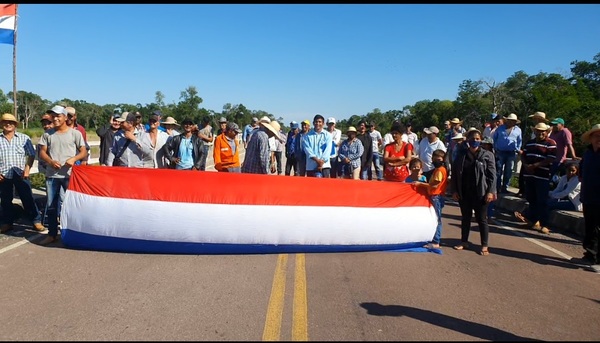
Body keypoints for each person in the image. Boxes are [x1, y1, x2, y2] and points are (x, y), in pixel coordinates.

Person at [38, 105, 88, 245]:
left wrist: (74, 159)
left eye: (58, 115)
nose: (55, 118)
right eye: (53, 116)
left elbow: (83, 152)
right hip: (52, 175)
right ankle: (52, 234)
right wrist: (50, 161)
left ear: (66, 117)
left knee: (73, 205)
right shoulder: (47, 134)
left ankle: (75, 232)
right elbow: (42, 152)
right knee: (52, 205)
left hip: (70, 175)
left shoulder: (75, 134)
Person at [451, 129, 496, 256]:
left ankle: (484, 245)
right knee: (465, 218)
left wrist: (490, 192)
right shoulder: (461, 156)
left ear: (481, 139)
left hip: (481, 192)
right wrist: (454, 190)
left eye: (477, 138)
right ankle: (464, 241)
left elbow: (492, 176)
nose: (474, 141)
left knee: (481, 219)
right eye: (472, 139)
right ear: (467, 140)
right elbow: (454, 174)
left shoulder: (487, 155)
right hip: (464, 192)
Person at [0, 113, 45, 234]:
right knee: (5, 200)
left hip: (20, 173)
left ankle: (36, 221)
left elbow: (31, 154)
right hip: (3, 174)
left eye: (11, 122)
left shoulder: (24, 138)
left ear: (15, 125)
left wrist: (27, 168)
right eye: (5, 122)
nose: (8, 124)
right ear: (1, 124)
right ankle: (7, 222)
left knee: (27, 198)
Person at [519, 122, 557, 234]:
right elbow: (523, 155)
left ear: (547, 132)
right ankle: (533, 220)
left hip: (542, 176)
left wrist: (536, 165)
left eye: (542, 131)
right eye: (538, 131)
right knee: (531, 198)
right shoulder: (530, 143)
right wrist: (526, 165)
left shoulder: (551, 143)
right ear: (535, 131)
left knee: (542, 200)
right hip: (529, 175)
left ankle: (544, 223)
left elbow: (551, 158)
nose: (540, 133)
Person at [573, 124, 600, 272]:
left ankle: (598, 259)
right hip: (588, 196)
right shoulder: (588, 153)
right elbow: (581, 170)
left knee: (598, 228)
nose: (599, 139)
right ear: (591, 138)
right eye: (596, 136)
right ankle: (589, 255)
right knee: (590, 226)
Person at [412, 149, 448, 250]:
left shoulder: (440, 170)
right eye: (434, 159)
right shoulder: (438, 170)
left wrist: (421, 184)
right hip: (435, 196)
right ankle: (434, 238)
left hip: (436, 196)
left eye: (439, 159)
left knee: (437, 219)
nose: (436, 161)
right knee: (435, 218)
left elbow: (435, 185)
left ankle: (436, 241)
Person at [493, 113, 522, 194]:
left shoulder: (518, 130)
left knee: (508, 171)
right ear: (507, 120)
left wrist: (517, 149)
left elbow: (519, 141)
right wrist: (495, 149)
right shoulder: (500, 128)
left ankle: (505, 187)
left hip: (511, 153)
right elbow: (494, 139)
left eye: (513, 121)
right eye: (510, 120)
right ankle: (497, 187)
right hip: (500, 152)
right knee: (498, 170)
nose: (511, 122)